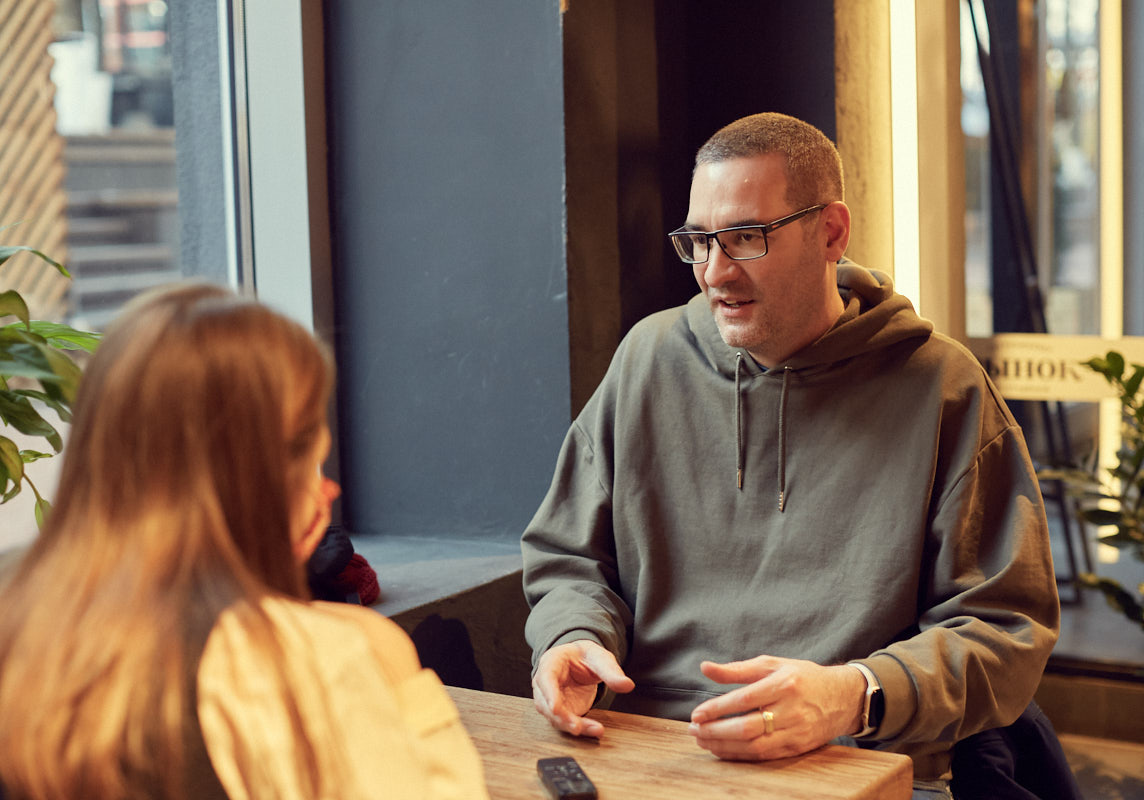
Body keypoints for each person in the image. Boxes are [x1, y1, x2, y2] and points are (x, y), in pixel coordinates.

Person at [521, 112, 1060, 798]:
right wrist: (572, 634)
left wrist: (854, 694)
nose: (714, 272)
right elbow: (568, 554)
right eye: (697, 241)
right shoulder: (648, 360)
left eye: (745, 238)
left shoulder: (941, 386)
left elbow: (1003, 632)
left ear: (830, 233)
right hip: (646, 754)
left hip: (858, 766)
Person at [0, 284, 488, 800]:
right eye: (311, 464)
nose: (329, 490)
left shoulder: (18, 604)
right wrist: (397, 677)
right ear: (257, 482)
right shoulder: (315, 658)